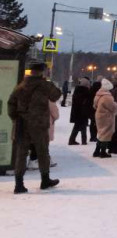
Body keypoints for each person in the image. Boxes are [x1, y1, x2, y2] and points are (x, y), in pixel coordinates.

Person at [8, 62, 62, 194]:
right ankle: (45, 180)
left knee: (21, 153)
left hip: (22, 123)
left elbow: (11, 104)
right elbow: (56, 95)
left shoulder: (20, 86)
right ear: (42, 71)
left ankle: (19, 184)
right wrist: (48, 81)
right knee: (42, 152)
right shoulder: (44, 85)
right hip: (39, 124)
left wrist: (16, 117)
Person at [93, 79, 117, 159]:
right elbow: (113, 107)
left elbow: (94, 106)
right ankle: (103, 152)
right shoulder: (107, 97)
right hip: (106, 117)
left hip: (99, 115)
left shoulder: (98, 94)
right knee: (106, 134)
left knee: (101, 133)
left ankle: (97, 151)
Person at [68, 77, 92, 145]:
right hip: (83, 112)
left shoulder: (77, 90)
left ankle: (72, 140)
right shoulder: (86, 91)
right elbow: (87, 102)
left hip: (76, 112)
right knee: (83, 126)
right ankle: (83, 141)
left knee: (77, 126)